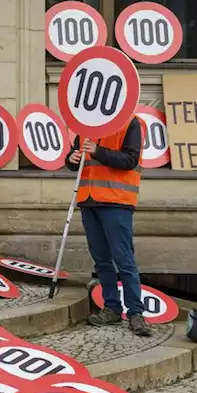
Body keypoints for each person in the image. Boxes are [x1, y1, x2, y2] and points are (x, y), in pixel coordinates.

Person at [65, 118, 152, 337]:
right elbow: (75, 161)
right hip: (89, 199)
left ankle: (135, 312)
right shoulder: (86, 125)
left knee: (124, 260)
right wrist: (72, 159)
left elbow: (130, 159)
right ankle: (112, 308)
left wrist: (97, 150)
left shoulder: (130, 123)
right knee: (102, 260)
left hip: (117, 201)